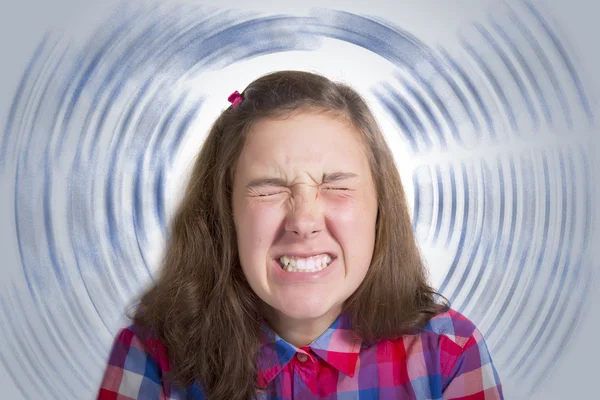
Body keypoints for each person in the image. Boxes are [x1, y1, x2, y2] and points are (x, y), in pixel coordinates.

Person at [97, 71, 504, 399]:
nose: (304, 220)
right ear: (225, 212)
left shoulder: (450, 354)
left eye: (337, 185)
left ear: (381, 209)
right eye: (269, 188)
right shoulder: (151, 354)